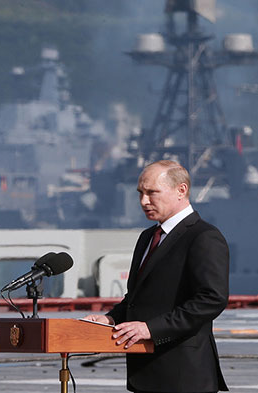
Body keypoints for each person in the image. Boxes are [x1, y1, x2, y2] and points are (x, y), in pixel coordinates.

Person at [84, 160, 229, 393]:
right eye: (140, 193)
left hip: (183, 376)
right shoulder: (147, 237)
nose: (144, 201)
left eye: (152, 192)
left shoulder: (203, 237)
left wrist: (150, 329)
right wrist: (110, 320)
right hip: (145, 373)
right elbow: (137, 298)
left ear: (181, 190)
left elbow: (212, 299)